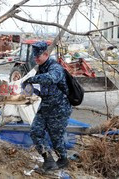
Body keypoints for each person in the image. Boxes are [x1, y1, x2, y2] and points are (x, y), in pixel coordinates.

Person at [22, 41, 72, 172]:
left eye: (38, 56)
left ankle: (63, 160)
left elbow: (51, 79)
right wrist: (29, 89)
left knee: (56, 137)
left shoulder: (55, 68)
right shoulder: (41, 68)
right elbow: (43, 90)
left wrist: (32, 79)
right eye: (34, 57)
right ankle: (48, 160)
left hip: (59, 109)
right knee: (35, 132)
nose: (36, 59)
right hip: (45, 107)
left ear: (46, 54)